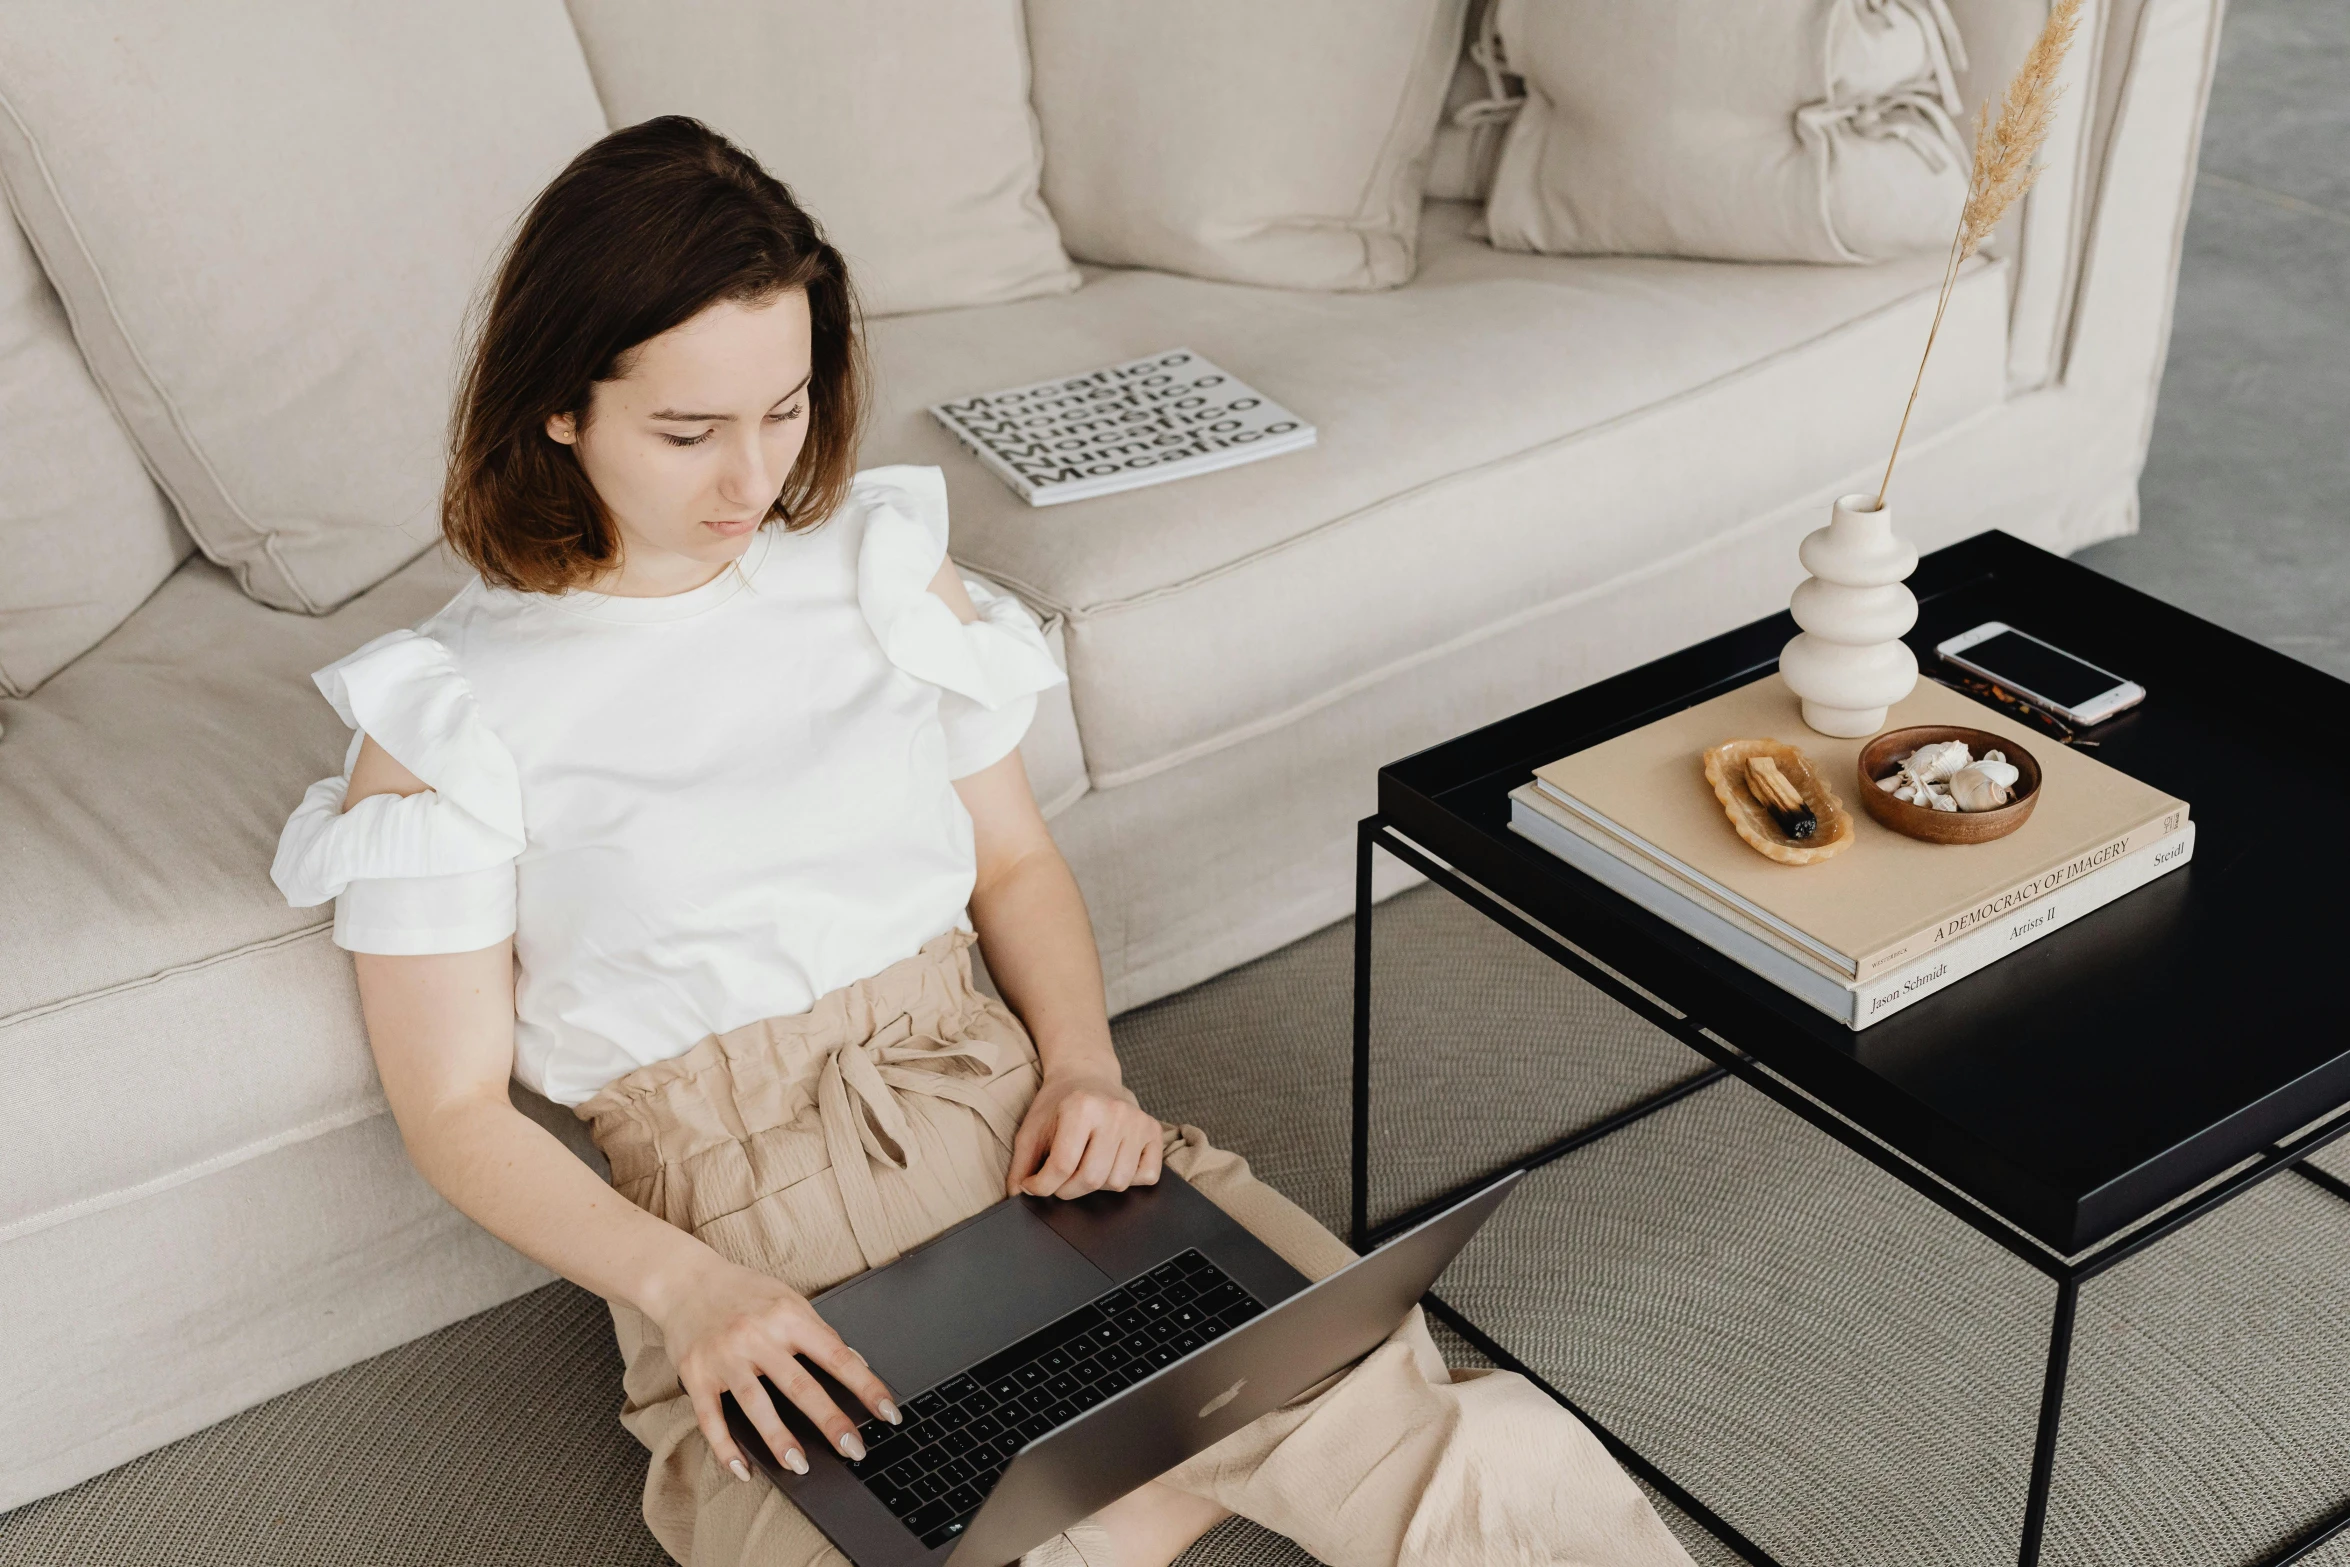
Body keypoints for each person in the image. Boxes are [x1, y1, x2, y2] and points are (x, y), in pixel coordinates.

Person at [271, 115, 1696, 1567]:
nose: (747, 479)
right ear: (559, 406)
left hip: (1004, 1128)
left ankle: (1142, 1477)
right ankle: (1138, 1489)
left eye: (784, 408)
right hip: (745, 1232)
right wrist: (688, 1289)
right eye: (687, 430)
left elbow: (1011, 862)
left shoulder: (878, 571)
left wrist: (1082, 1067)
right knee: (931, 1525)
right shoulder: (449, 710)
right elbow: (450, 1105)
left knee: (1438, 1450)